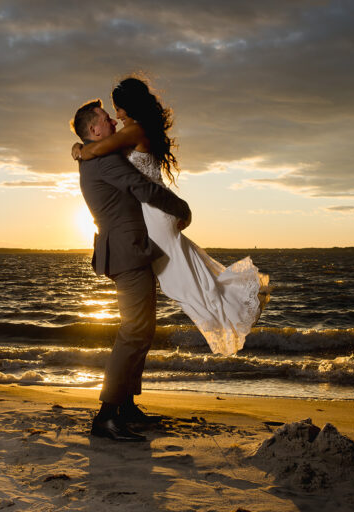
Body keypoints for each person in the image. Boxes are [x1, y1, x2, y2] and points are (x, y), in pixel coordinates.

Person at [72, 77, 270, 357]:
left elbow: (94, 148)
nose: (115, 116)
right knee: (186, 274)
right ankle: (232, 309)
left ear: (128, 108)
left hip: (156, 211)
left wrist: (78, 149)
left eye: (116, 109)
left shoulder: (132, 131)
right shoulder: (136, 129)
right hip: (156, 212)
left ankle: (233, 312)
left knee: (182, 281)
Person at [72, 99, 192, 442]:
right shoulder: (103, 159)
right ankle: (107, 415)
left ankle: (126, 406)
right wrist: (180, 206)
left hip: (129, 249)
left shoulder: (94, 156)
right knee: (134, 331)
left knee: (142, 329)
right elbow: (141, 187)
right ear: (95, 130)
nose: (112, 122)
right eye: (106, 119)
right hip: (127, 251)